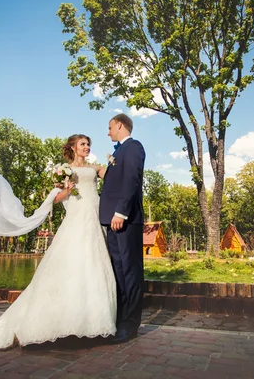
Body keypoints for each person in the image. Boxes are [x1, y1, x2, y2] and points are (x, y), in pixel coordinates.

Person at [0, 134, 117, 352]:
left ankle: (90, 322)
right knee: (72, 262)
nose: (87, 147)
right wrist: (66, 188)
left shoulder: (96, 168)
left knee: (94, 264)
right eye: (83, 144)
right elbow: (56, 198)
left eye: (88, 144)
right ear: (73, 148)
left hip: (94, 216)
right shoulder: (65, 170)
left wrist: (115, 162)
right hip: (77, 216)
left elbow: (115, 178)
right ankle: (59, 323)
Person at [99, 113, 146, 343]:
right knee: (118, 272)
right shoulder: (117, 153)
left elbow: (132, 179)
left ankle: (130, 325)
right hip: (110, 220)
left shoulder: (134, 147)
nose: (108, 132)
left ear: (119, 125)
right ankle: (119, 320)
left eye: (109, 127)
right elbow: (115, 179)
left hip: (125, 219)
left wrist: (121, 211)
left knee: (130, 271)